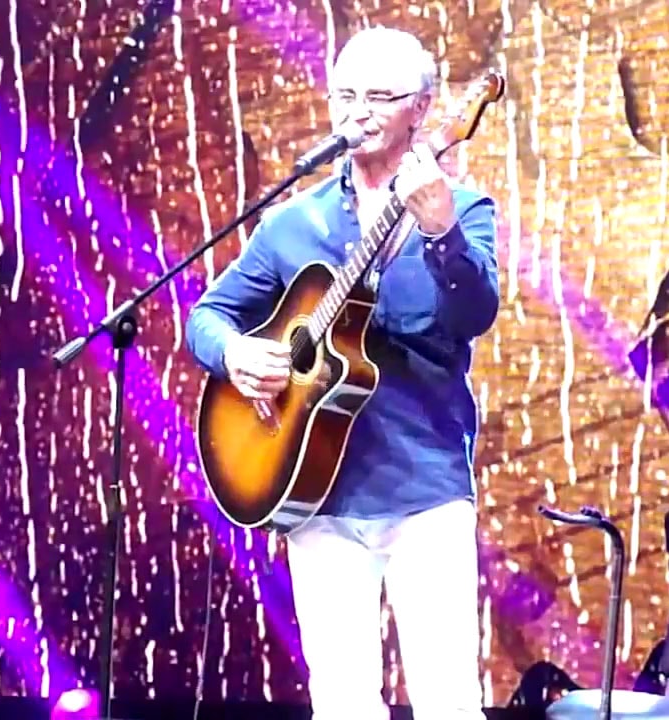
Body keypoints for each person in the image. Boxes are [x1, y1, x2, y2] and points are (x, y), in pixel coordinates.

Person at [184, 26, 499, 720]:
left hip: (423, 488)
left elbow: (474, 314)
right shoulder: (292, 224)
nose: (358, 112)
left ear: (422, 108)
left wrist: (441, 232)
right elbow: (207, 317)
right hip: (313, 489)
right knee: (342, 704)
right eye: (345, 95)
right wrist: (235, 355)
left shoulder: (463, 210)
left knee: (449, 702)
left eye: (379, 97)